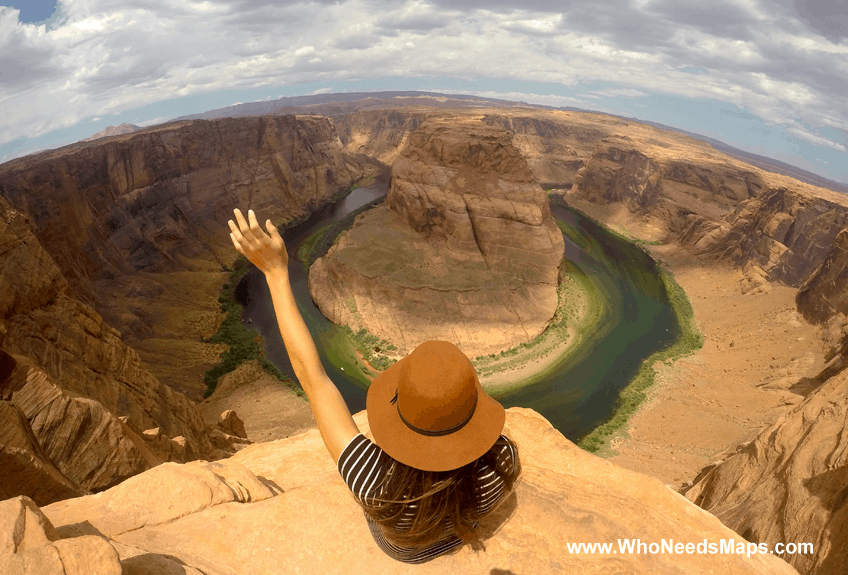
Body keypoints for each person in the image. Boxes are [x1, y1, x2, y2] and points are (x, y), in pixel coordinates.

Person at [228, 208, 522, 564]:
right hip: (457, 532)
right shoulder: (503, 461)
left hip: (398, 549)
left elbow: (314, 379)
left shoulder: (373, 481)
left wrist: (275, 273)